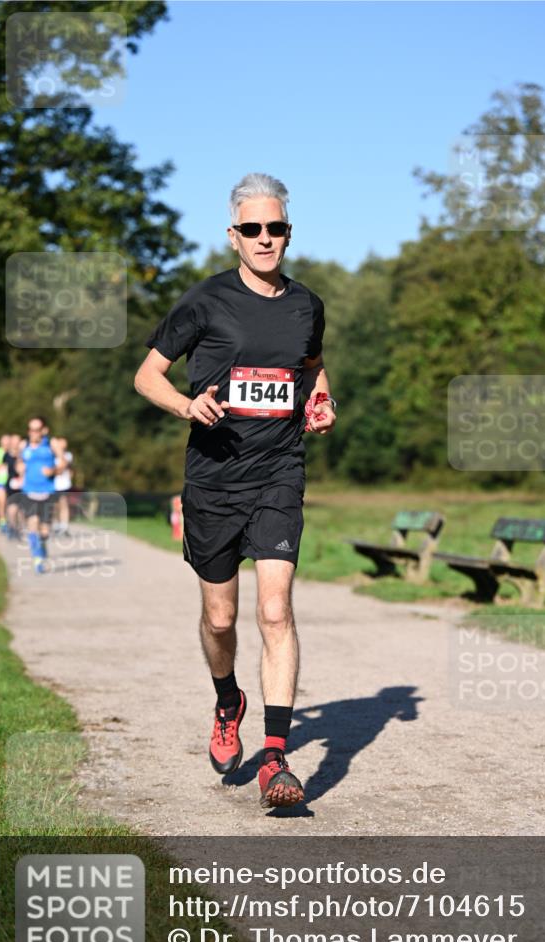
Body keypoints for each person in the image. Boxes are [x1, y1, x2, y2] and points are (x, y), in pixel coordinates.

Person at [134, 173, 336, 809]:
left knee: (275, 611)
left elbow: (310, 365)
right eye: (253, 229)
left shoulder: (306, 304)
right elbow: (147, 377)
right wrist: (187, 407)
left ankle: (275, 759)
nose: (265, 238)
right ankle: (228, 700)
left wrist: (322, 396)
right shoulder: (204, 301)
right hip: (213, 479)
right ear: (233, 236)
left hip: (279, 473)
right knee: (221, 618)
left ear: (288, 233)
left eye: (275, 228)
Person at [16, 418, 65, 573]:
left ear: (44, 430)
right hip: (29, 490)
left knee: (44, 530)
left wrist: (53, 471)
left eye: (36, 430)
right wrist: (19, 468)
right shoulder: (24, 445)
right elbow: (18, 463)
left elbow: (63, 463)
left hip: (47, 491)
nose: (33, 433)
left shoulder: (52, 443)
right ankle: (37, 558)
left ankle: (42, 545)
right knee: (32, 522)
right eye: (30, 429)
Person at [52, 437, 73, 535]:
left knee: (64, 504)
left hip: (64, 484)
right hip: (53, 485)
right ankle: (57, 524)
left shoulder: (68, 455)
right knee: (55, 506)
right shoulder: (51, 456)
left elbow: (62, 467)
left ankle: (64, 526)